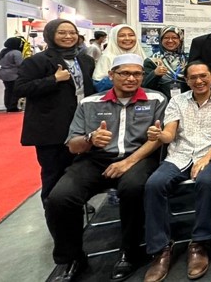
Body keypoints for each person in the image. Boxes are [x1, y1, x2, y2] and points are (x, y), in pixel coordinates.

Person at [45, 54, 166, 282]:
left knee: (133, 189)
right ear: (111, 75)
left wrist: (128, 162)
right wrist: (90, 139)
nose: (131, 78)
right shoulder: (90, 103)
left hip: (138, 158)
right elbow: (73, 145)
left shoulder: (156, 99)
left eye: (137, 74)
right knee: (60, 198)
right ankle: (71, 258)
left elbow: (158, 139)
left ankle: (130, 251)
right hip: (95, 159)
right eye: (124, 73)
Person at [143, 61, 211, 282]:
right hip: (179, 155)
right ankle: (161, 248)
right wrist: (159, 135)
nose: (199, 81)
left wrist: (206, 158)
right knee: (154, 184)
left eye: (203, 76)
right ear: (186, 79)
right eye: (193, 77)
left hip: (210, 155)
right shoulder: (177, 101)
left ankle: (199, 243)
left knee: (205, 182)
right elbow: (169, 134)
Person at [15, 19, 96, 206]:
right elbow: (20, 88)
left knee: (78, 169)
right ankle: (52, 210)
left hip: (80, 124)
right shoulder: (37, 61)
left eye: (72, 32)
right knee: (53, 171)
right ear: (51, 35)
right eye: (62, 32)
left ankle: (76, 204)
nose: (68, 36)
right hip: (51, 127)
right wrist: (53, 79)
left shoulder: (85, 60)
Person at [93, 24, 146, 92]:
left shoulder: (141, 55)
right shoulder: (107, 57)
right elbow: (99, 86)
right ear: (114, 38)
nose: (127, 38)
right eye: (122, 36)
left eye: (131, 35)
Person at [143, 25, 188, 99]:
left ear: (180, 40)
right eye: (166, 38)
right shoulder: (151, 61)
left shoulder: (188, 59)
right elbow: (145, 87)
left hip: (186, 101)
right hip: (160, 102)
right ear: (161, 40)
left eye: (174, 37)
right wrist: (155, 74)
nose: (170, 40)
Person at [0, 36, 25, 112]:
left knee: (8, 90)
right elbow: (20, 64)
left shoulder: (3, 51)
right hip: (13, 74)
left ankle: (8, 105)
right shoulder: (16, 52)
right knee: (15, 90)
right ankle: (13, 106)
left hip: (3, 73)